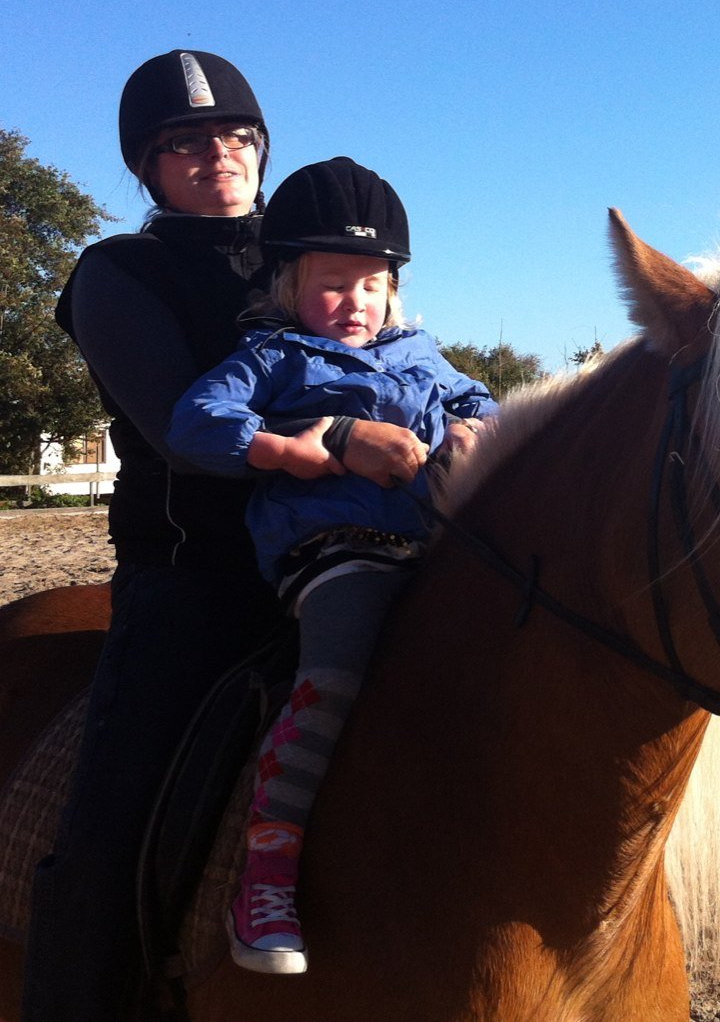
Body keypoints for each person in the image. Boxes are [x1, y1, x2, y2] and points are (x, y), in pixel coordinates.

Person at [22, 54, 424, 1021]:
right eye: (184, 142)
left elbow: (404, 367)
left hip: (351, 544)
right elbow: (176, 427)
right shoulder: (119, 273)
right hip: (198, 571)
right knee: (109, 821)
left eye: (235, 136)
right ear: (147, 165)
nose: (217, 155)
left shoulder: (320, 250)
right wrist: (336, 441)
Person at [167, 157, 498, 974]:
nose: (354, 303)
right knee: (341, 663)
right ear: (288, 286)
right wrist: (294, 446)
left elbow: (483, 403)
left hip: (432, 544)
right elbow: (197, 422)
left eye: (371, 284)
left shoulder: (422, 353)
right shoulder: (274, 357)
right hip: (335, 546)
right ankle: (268, 867)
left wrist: (477, 432)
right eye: (332, 283)